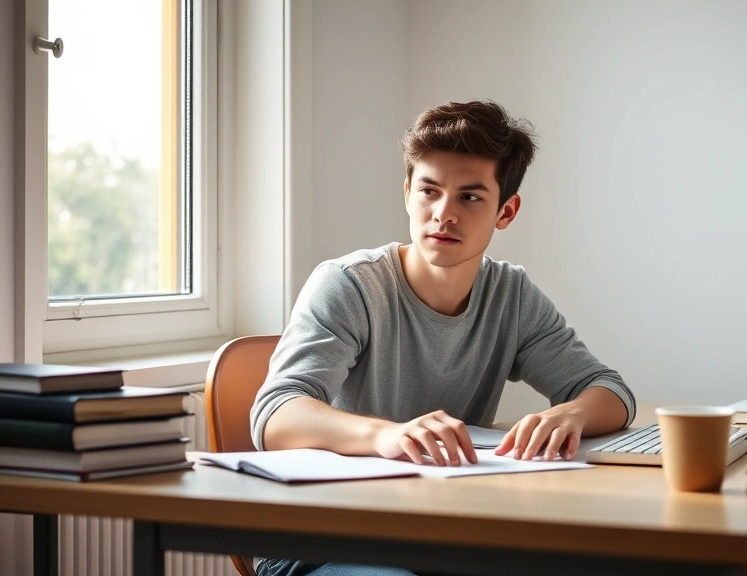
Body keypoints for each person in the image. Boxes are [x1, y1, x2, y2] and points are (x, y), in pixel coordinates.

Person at [250, 100, 635, 576]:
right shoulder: (350, 284)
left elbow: (610, 391)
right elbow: (276, 412)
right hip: (325, 540)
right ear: (408, 192)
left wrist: (569, 413)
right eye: (429, 191)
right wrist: (388, 435)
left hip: (447, 535)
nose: (443, 215)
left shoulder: (510, 295)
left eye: (470, 197)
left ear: (506, 211)